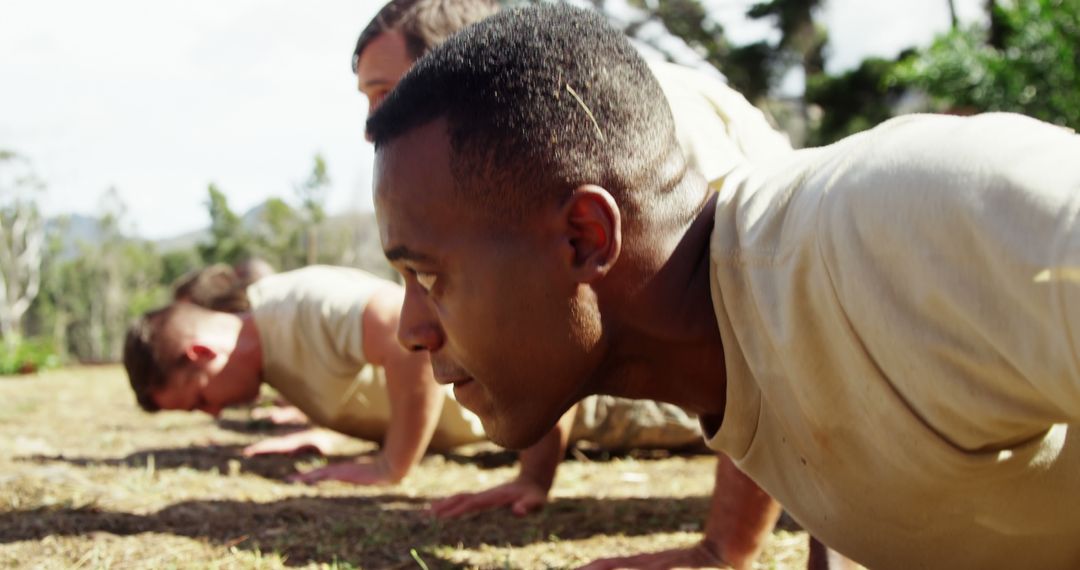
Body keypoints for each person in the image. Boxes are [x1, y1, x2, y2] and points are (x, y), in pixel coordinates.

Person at [367, 4, 1080, 570]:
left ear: (586, 237)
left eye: (429, 275)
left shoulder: (899, 220)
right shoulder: (727, 354)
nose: (410, 329)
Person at [352, 2, 849, 569]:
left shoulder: (612, 114)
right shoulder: (500, 163)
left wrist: (722, 549)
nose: (371, 122)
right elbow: (554, 322)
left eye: (385, 90)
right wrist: (532, 479)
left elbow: (762, 329)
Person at [124, 265, 703, 487]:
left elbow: (405, 348)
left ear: (203, 352)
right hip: (521, 425)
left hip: (590, 404)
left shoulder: (296, 304)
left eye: (200, 400)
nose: (215, 413)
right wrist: (330, 431)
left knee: (716, 416)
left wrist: (390, 465)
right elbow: (364, 376)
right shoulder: (271, 349)